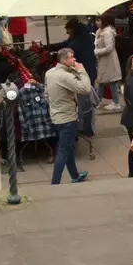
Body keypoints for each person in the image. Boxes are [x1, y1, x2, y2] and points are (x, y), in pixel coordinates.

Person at [46, 48, 93, 184]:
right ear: (64, 60)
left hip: (56, 117)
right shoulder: (64, 76)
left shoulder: (49, 73)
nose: (74, 60)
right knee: (63, 150)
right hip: (68, 118)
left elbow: (46, 94)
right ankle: (55, 183)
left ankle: (74, 175)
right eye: (71, 57)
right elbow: (85, 88)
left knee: (69, 147)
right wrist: (82, 70)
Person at [94, 16, 123, 110]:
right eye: (96, 20)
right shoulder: (99, 31)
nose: (97, 22)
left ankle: (116, 102)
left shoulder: (107, 33)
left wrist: (96, 52)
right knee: (101, 81)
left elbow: (109, 48)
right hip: (103, 60)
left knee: (111, 81)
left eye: (98, 20)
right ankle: (98, 101)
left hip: (109, 60)